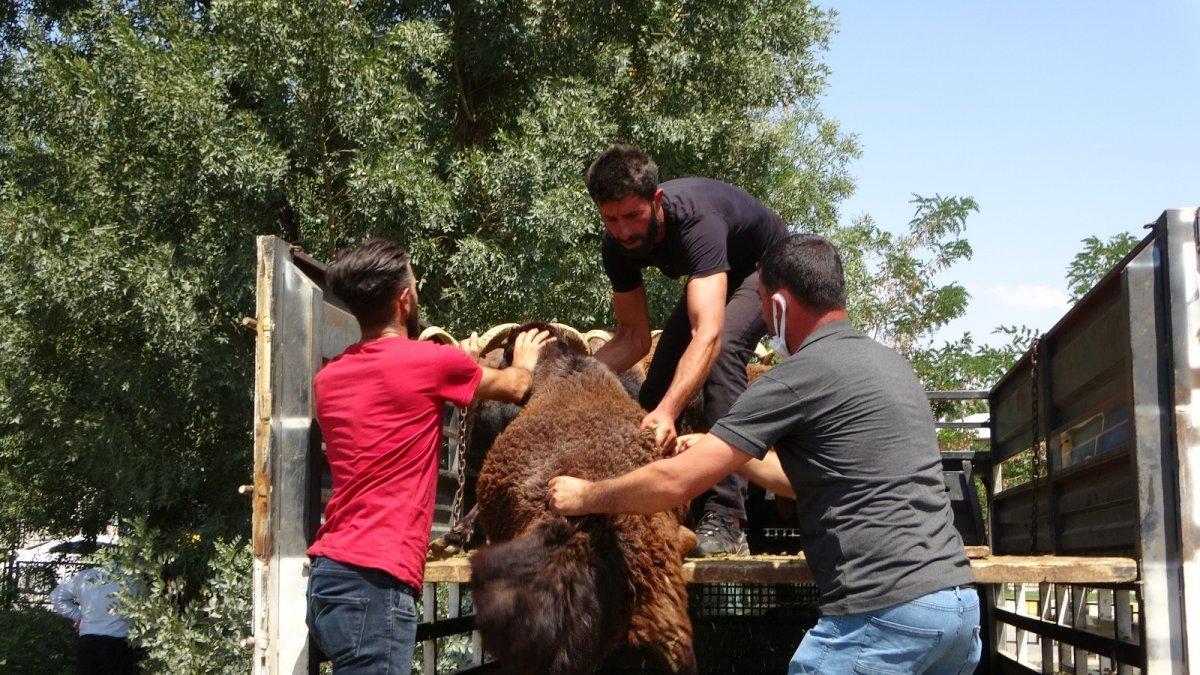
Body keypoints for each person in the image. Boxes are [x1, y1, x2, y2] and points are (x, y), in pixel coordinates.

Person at [548, 234, 981, 674]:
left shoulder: (798, 376)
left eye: (759, 305)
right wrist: (731, 456)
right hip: (956, 609)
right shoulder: (891, 365)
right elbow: (809, 481)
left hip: (883, 615)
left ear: (777, 305)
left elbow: (675, 482)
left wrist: (584, 496)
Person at [305, 238, 553, 674]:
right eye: (416, 285)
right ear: (404, 300)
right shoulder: (430, 363)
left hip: (328, 578)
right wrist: (526, 360)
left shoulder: (329, 376)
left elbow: (390, 404)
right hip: (376, 581)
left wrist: (459, 364)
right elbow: (516, 387)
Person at [586, 144, 788, 556]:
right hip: (716, 273)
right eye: (610, 219)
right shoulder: (616, 248)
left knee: (724, 350)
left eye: (633, 215)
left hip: (766, 265)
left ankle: (727, 519)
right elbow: (633, 339)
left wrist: (668, 412)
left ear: (657, 200)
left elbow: (708, 335)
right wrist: (573, 374)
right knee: (657, 382)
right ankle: (644, 501)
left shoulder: (697, 221)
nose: (623, 231)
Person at [50, 564, 142, 674]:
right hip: (118, 642)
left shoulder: (84, 576)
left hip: (88, 641)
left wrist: (78, 616)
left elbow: (56, 596)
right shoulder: (133, 578)